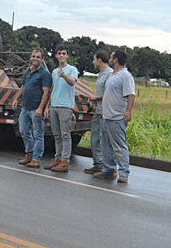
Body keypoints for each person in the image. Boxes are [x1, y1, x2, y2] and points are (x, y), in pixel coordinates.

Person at [94, 49, 136, 183]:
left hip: (117, 117)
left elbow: (131, 95)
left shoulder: (125, 75)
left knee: (119, 145)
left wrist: (128, 111)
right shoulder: (113, 75)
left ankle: (123, 173)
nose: (110, 59)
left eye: (112, 57)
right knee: (106, 145)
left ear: (116, 59)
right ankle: (109, 169)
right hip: (107, 116)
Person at [44, 44, 79, 173]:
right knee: (56, 135)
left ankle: (65, 161)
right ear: (56, 56)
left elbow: (72, 82)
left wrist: (64, 75)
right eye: (59, 53)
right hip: (54, 105)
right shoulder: (54, 71)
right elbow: (52, 89)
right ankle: (57, 158)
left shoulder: (72, 69)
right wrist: (48, 106)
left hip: (66, 106)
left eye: (64, 53)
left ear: (67, 55)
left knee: (65, 134)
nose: (62, 56)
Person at [16, 47, 52, 168]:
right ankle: (29, 154)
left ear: (42, 59)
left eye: (38, 57)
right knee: (24, 131)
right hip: (25, 108)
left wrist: (41, 108)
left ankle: (36, 159)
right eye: (33, 56)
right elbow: (23, 86)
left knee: (38, 134)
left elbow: (46, 92)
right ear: (31, 58)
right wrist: (16, 98)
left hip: (36, 109)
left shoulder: (45, 74)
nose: (35, 59)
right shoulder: (28, 71)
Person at [84, 50, 112, 175]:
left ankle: (107, 167)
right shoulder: (101, 74)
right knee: (94, 138)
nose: (94, 61)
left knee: (104, 140)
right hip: (98, 110)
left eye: (95, 59)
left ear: (99, 60)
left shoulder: (110, 74)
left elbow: (109, 93)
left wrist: (96, 97)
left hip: (106, 112)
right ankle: (98, 164)